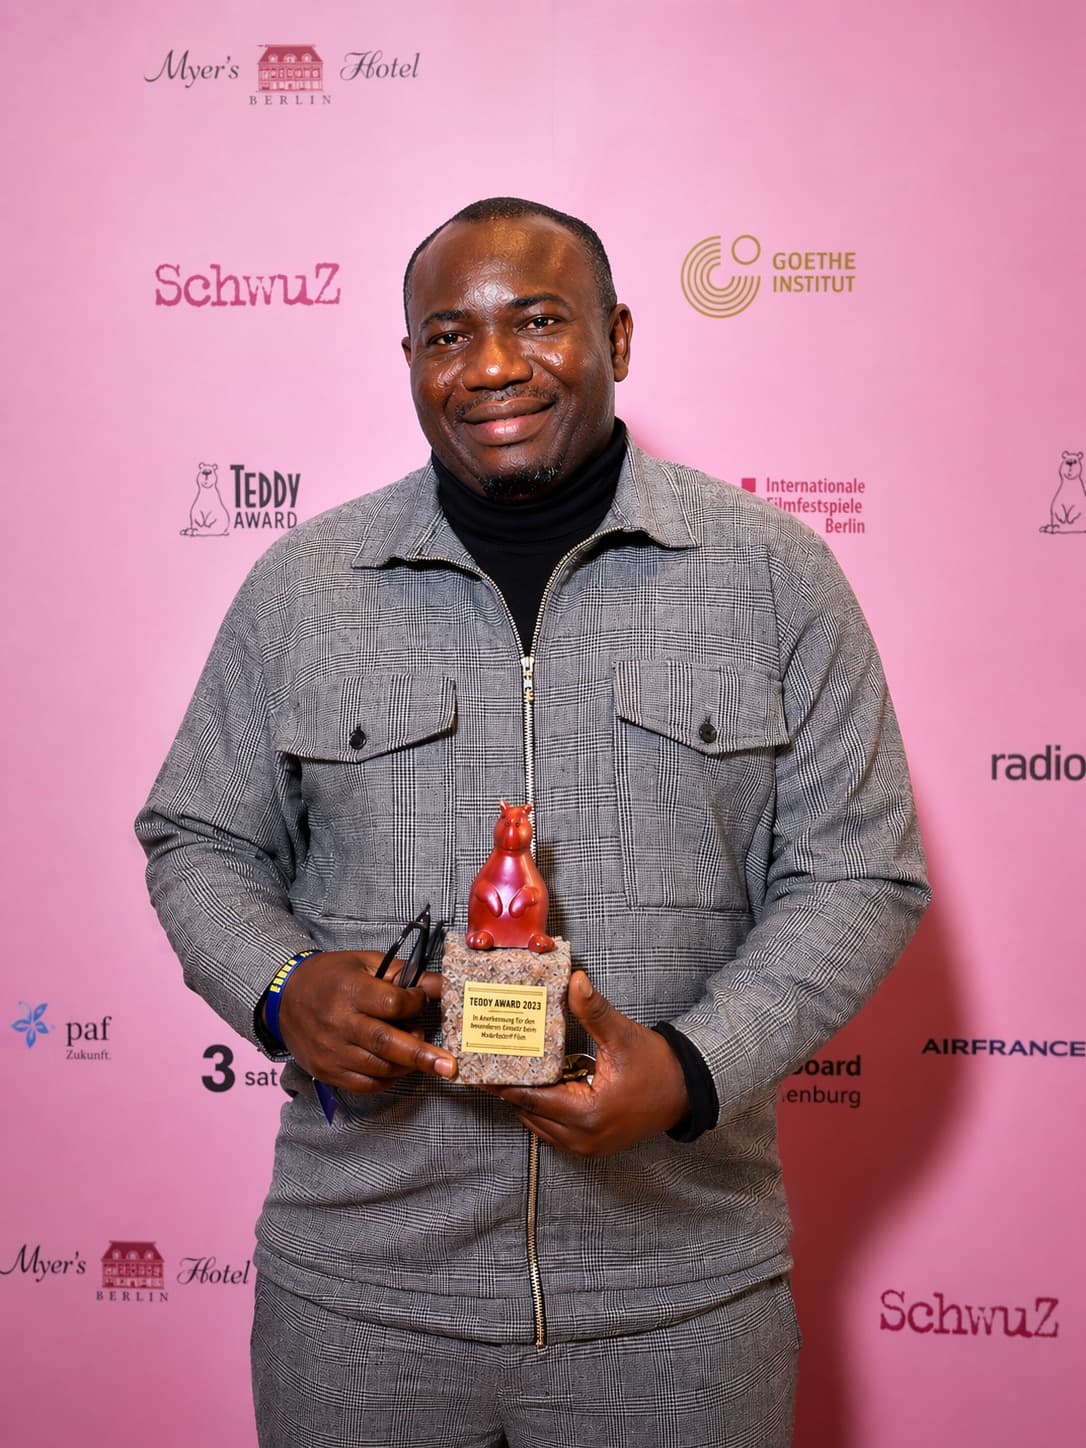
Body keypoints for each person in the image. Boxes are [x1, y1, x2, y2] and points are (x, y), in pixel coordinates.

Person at [137, 197, 929, 1448]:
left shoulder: (773, 575)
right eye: (448, 334)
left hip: (680, 1302)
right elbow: (199, 836)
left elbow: (857, 869)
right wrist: (284, 986)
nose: (492, 365)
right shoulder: (303, 585)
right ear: (410, 364)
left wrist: (693, 1067)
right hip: (362, 1296)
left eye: (539, 321)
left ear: (618, 335)